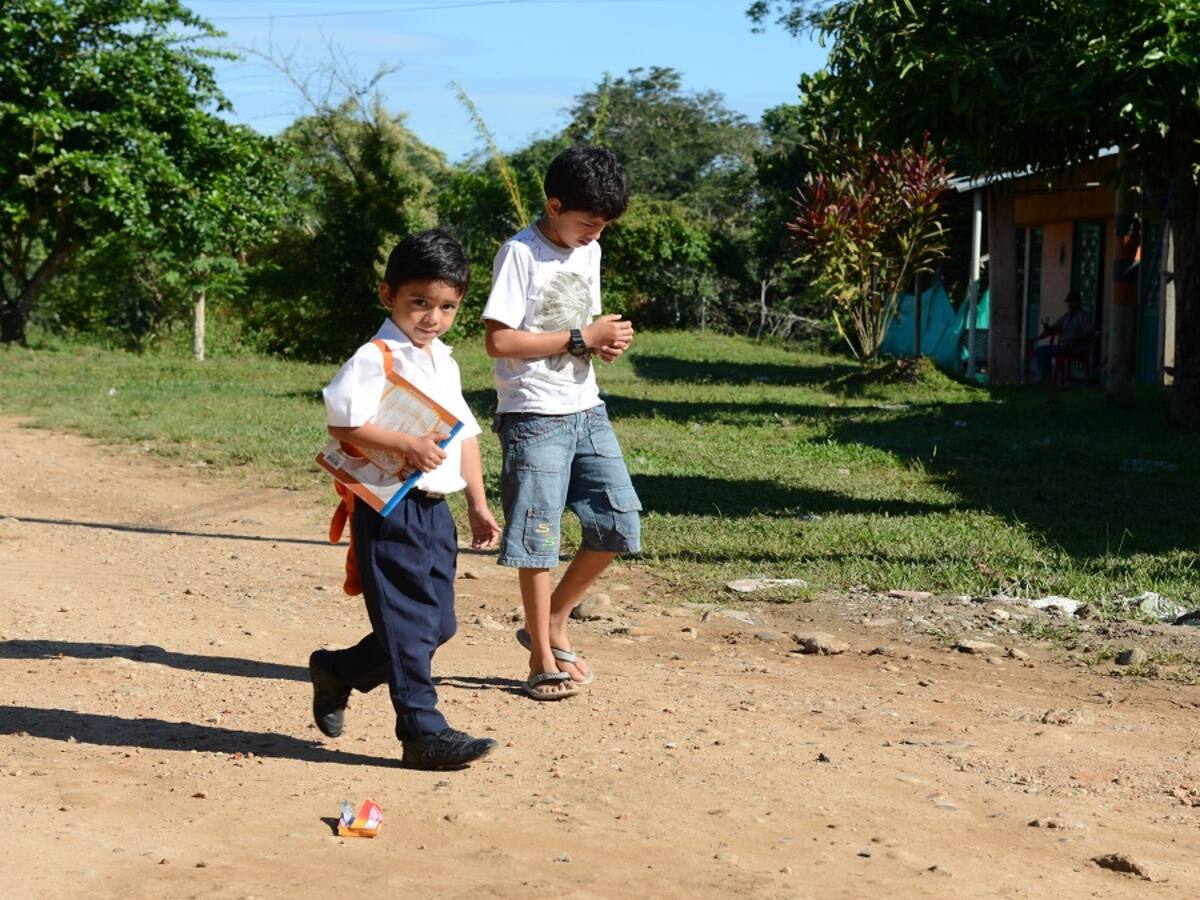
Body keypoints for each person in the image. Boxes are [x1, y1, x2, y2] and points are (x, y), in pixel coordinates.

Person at [308, 228, 502, 769]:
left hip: (433, 511)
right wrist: (405, 444)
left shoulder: (443, 358)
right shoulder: (376, 356)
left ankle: (341, 670)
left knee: (437, 624)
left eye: (446, 306)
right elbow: (343, 420)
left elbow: (464, 433)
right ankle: (422, 732)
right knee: (411, 626)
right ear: (387, 295)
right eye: (419, 303)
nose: (432, 317)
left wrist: (478, 504)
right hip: (388, 508)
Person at [482, 146, 642, 701]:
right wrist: (581, 338)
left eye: (603, 227)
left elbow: (580, 329)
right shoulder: (520, 254)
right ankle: (542, 659)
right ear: (554, 205)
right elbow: (498, 341)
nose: (594, 235)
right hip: (532, 415)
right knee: (538, 538)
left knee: (618, 523)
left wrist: (603, 343)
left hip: (585, 407)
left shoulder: (587, 252)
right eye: (587, 223)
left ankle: (548, 620)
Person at [1034, 290, 1095, 383]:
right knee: (1040, 351)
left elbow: (1090, 333)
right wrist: (1047, 326)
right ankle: (1047, 377)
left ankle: (1047, 379)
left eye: (1071, 302)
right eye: (1069, 302)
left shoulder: (1083, 316)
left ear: (1078, 303)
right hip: (1064, 346)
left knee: (1048, 351)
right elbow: (1054, 328)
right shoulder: (1066, 317)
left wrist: (1074, 339)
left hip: (1076, 348)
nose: (1069, 305)